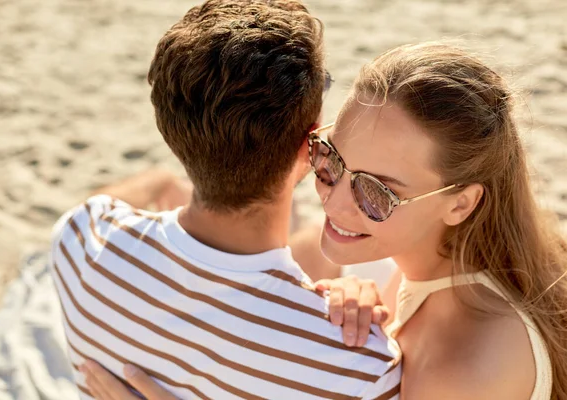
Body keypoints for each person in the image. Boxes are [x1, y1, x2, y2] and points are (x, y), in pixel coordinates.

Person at [84, 42, 567, 399]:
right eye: (330, 160)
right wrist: (351, 288)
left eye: (377, 192)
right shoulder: (417, 263)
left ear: (460, 204)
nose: (334, 205)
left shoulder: (467, 369)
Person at [49, 0, 402, 399]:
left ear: (167, 127)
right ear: (311, 142)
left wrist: (161, 180)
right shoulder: (360, 368)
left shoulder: (79, 239)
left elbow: (102, 203)